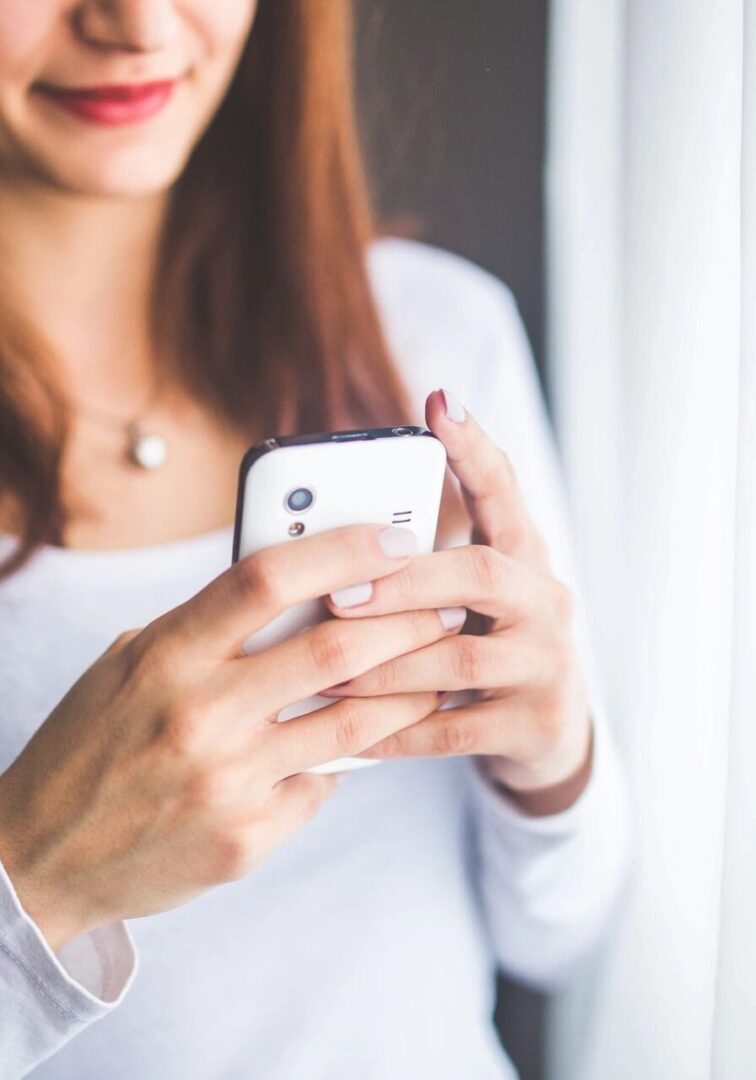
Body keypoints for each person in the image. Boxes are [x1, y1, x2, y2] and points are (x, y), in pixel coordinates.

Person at [0, 2, 632, 1077]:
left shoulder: (436, 340)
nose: (138, 25)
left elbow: (561, 934)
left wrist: (553, 759)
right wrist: (39, 878)